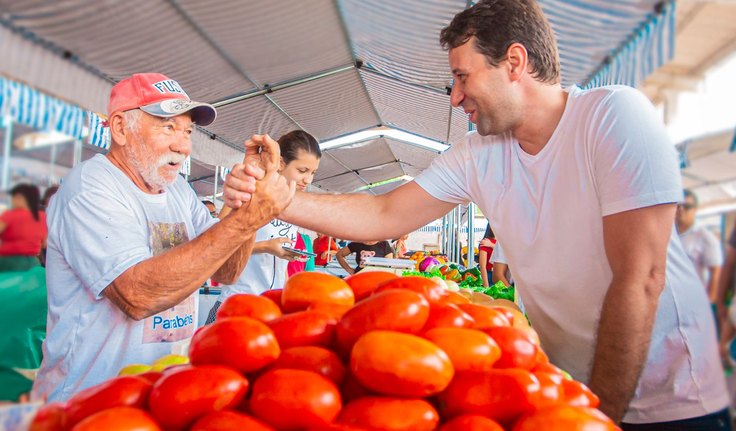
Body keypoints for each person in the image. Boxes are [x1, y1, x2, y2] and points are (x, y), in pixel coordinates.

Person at [223, 1, 728, 427]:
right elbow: (383, 213)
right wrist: (277, 197)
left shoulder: (613, 116)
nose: (456, 95)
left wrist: (600, 416)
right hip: (572, 397)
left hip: (672, 406)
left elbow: (641, 278)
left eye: (462, 76)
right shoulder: (481, 152)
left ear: (514, 61)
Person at [32, 73, 295, 402]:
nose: (183, 146)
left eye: (187, 131)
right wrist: (248, 218)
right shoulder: (90, 188)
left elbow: (225, 270)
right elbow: (137, 296)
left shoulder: (179, 190)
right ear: (119, 128)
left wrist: (247, 199)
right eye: (167, 127)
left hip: (159, 396)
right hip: (85, 402)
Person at [206, 130, 321, 324]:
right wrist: (265, 247)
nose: (308, 180)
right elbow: (215, 242)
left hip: (272, 306)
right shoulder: (248, 190)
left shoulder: (291, 203)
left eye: (313, 173)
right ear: (281, 163)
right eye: (302, 171)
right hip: (238, 302)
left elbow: (281, 267)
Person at [676, 189, 722, 306]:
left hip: (694, 301)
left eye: (687, 206)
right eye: (678, 206)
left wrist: (709, 303)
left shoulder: (704, 237)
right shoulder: (669, 235)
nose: (681, 209)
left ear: (696, 209)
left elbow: (716, 272)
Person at [0, 184, 47, 272]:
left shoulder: (11, 215)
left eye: (13, 198)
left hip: (8, 260)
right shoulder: (42, 216)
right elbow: (45, 243)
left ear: (20, 198)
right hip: (33, 262)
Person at [478, 223, 496, 288]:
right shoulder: (485, 242)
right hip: (490, 275)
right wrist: (486, 286)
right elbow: (482, 266)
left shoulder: (504, 242)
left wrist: (491, 245)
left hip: (504, 277)